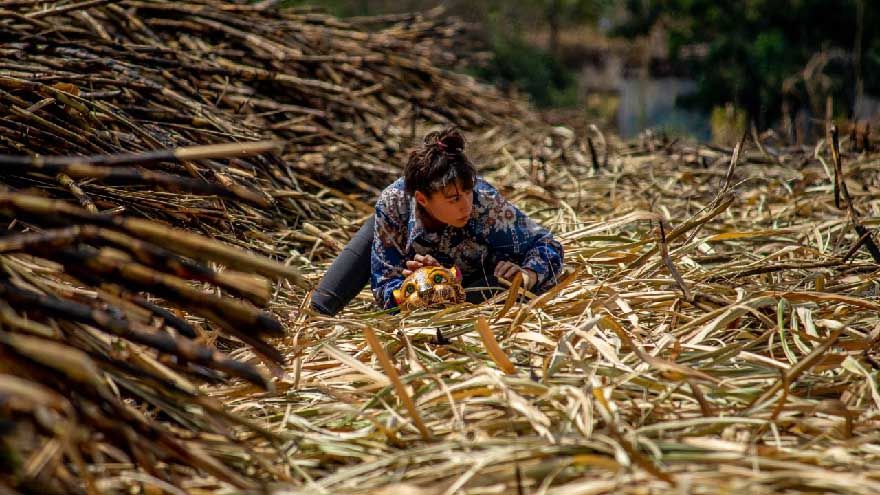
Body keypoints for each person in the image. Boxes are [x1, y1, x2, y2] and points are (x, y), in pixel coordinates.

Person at [310, 126, 564, 316]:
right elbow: (384, 289)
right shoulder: (393, 206)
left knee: (508, 292)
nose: (465, 205)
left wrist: (527, 275)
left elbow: (549, 245)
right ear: (422, 199)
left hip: (478, 285)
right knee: (320, 306)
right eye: (453, 198)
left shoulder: (484, 203)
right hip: (422, 293)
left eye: (467, 192)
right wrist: (419, 284)